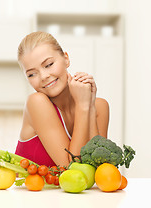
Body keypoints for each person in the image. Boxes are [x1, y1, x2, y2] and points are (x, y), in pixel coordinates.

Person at [15, 31, 109, 167]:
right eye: (32, 74)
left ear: (66, 58)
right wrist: (83, 106)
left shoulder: (100, 107)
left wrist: (90, 108)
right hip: (27, 189)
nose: (43, 76)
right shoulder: (36, 102)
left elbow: (100, 169)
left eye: (48, 65)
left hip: (73, 189)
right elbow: (71, 168)